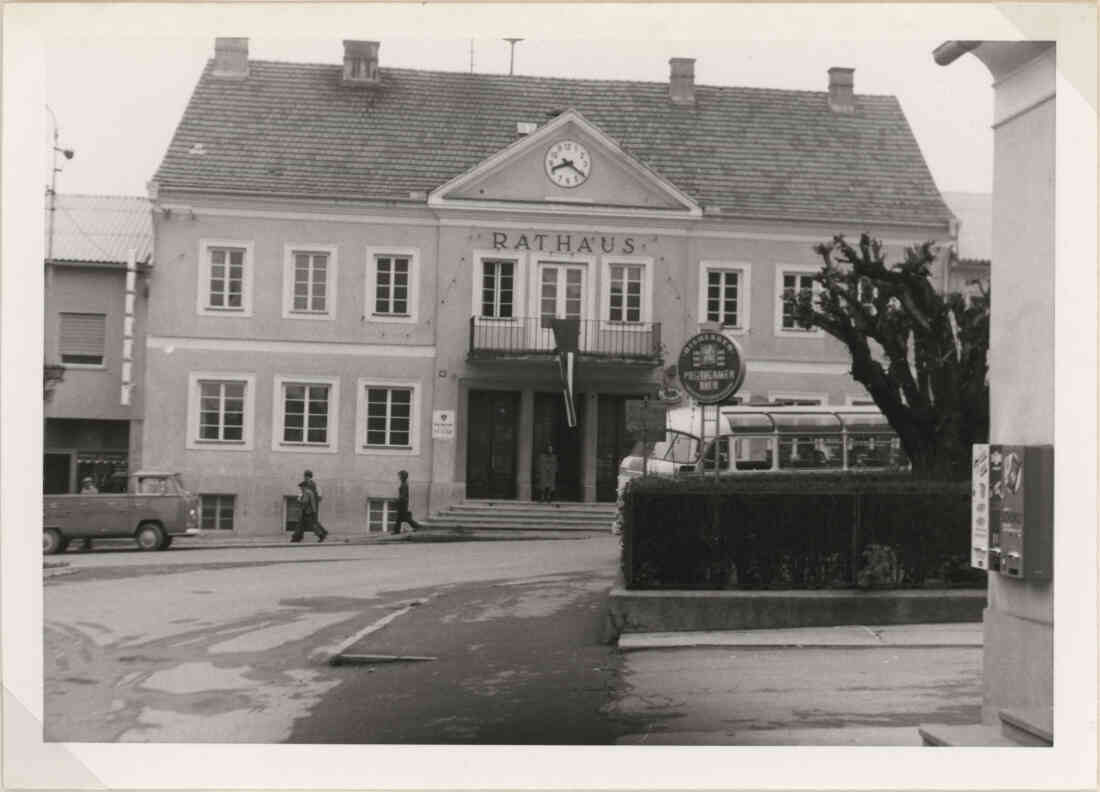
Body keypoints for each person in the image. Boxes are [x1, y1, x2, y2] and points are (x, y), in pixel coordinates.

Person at [291, 470, 327, 543]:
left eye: (305, 476)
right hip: (310, 509)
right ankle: (296, 537)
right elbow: (315, 497)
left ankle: (322, 534)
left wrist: (300, 500)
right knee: (302, 524)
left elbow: (307, 500)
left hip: (308, 510)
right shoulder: (310, 487)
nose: (300, 488)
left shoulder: (310, 487)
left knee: (311, 523)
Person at [78, 477, 98, 550]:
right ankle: (86, 544)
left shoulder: (94, 490)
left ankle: (88, 544)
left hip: (91, 511)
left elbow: (94, 501)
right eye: (85, 482)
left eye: (88, 482)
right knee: (84, 528)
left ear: (91, 482)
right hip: (85, 511)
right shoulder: (83, 490)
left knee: (89, 528)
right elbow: (82, 500)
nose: (86, 483)